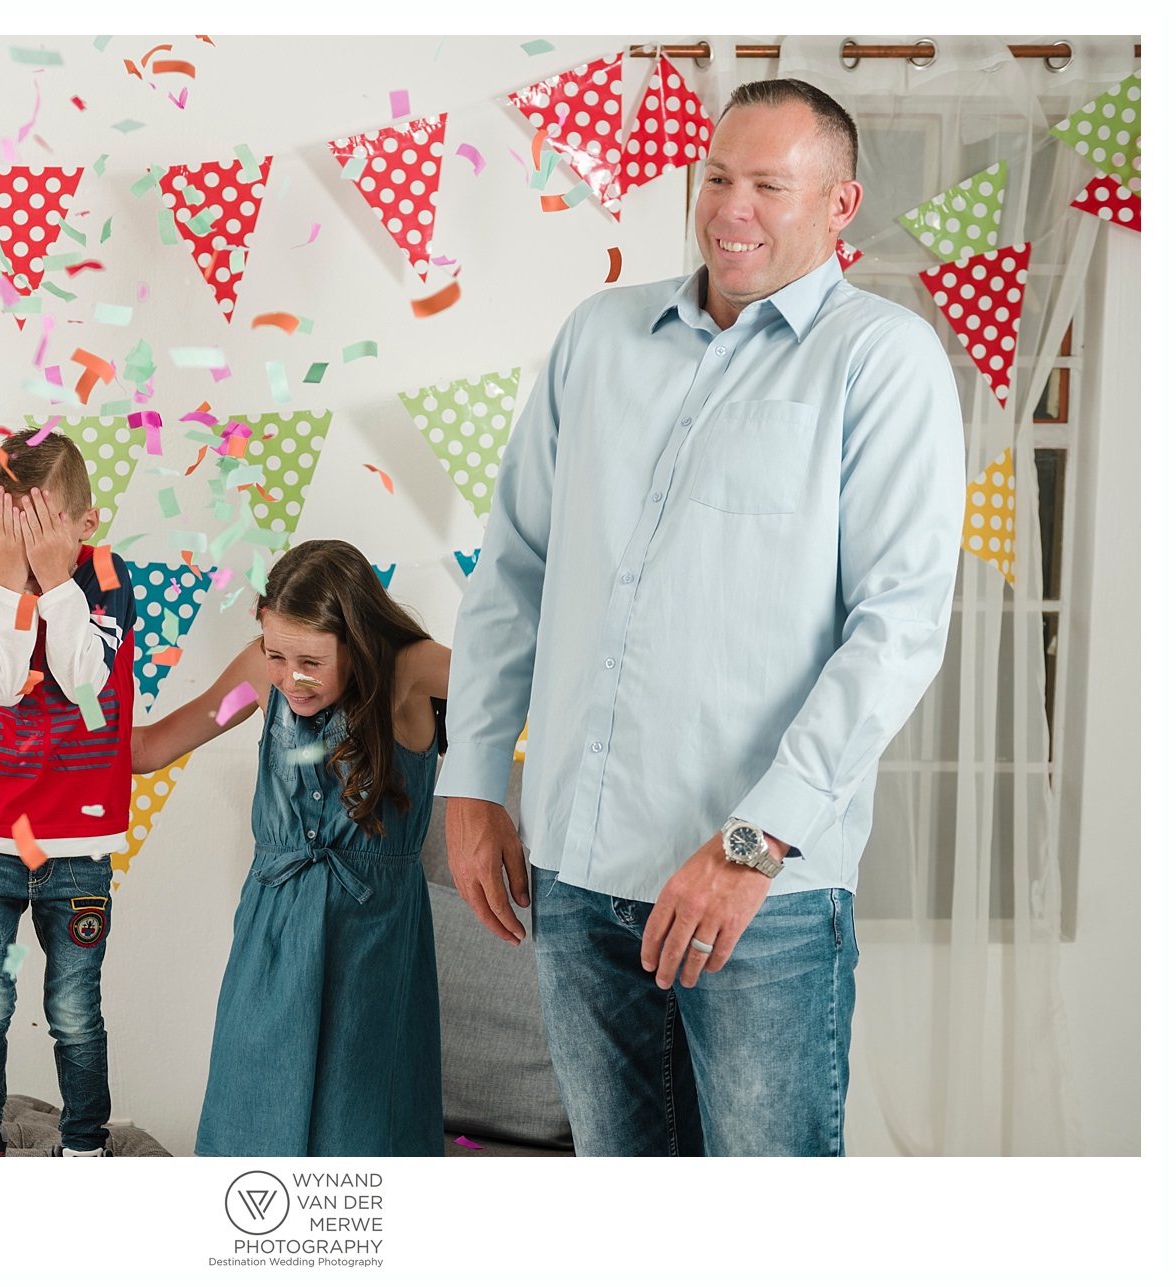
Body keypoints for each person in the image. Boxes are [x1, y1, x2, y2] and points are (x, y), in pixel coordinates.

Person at [438, 78, 966, 1156]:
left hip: (758, 899)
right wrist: (473, 776)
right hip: (578, 880)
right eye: (718, 175)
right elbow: (514, 569)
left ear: (838, 204)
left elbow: (896, 628)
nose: (732, 207)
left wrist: (749, 844)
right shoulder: (599, 336)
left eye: (770, 184)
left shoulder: (880, 359)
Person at [131, 539, 452, 1155]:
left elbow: (515, 686)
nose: (290, 676)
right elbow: (150, 749)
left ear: (357, 641)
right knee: (253, 1100)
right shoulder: (259, 674)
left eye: (311, 659)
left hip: (373, 935)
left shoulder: (409, 668)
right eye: (277, 653)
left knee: (359, 1118)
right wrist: (44, 744)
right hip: (273, 934)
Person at [0, 431, 136, 1158]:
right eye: (11, 526)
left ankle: (84, 1144)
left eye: (43, 526)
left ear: (84, 524)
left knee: (74, 1007)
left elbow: (85, 684)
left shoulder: (108, 578)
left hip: (78, 846)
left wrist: (56, 584)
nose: (25, 543)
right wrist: (11, 581)